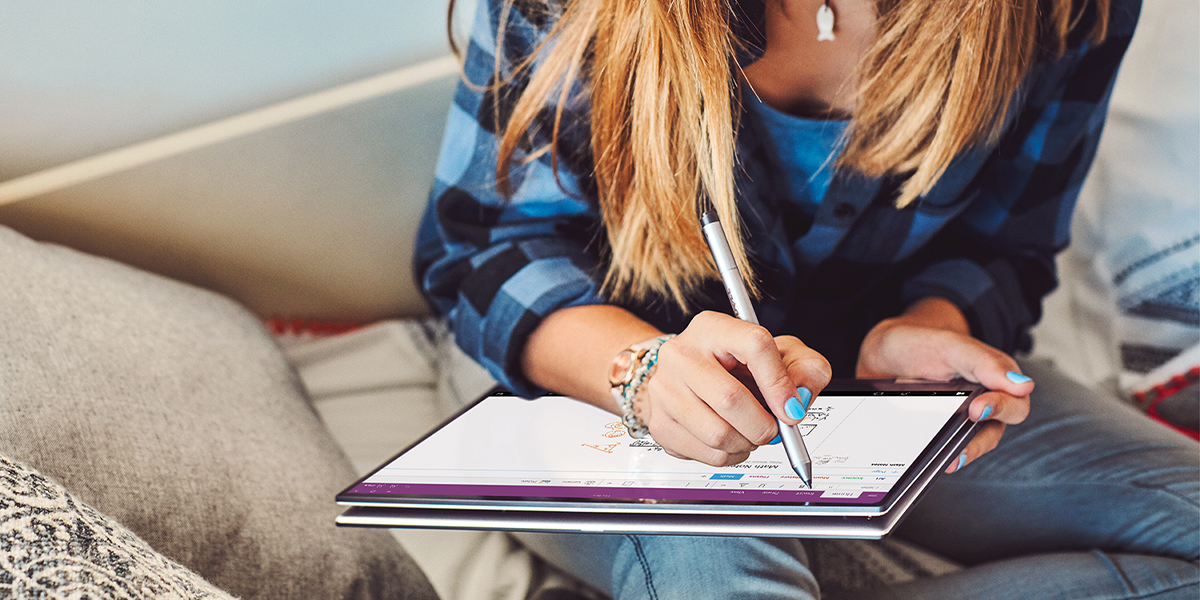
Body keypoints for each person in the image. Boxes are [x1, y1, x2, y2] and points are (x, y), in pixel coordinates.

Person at [414, 0, 1199, 597]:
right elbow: (481, 248)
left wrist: (926, 328)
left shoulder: (1062, 12)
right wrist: (647, 372)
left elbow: (1004, 245)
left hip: (868, 397)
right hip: (584, 376)